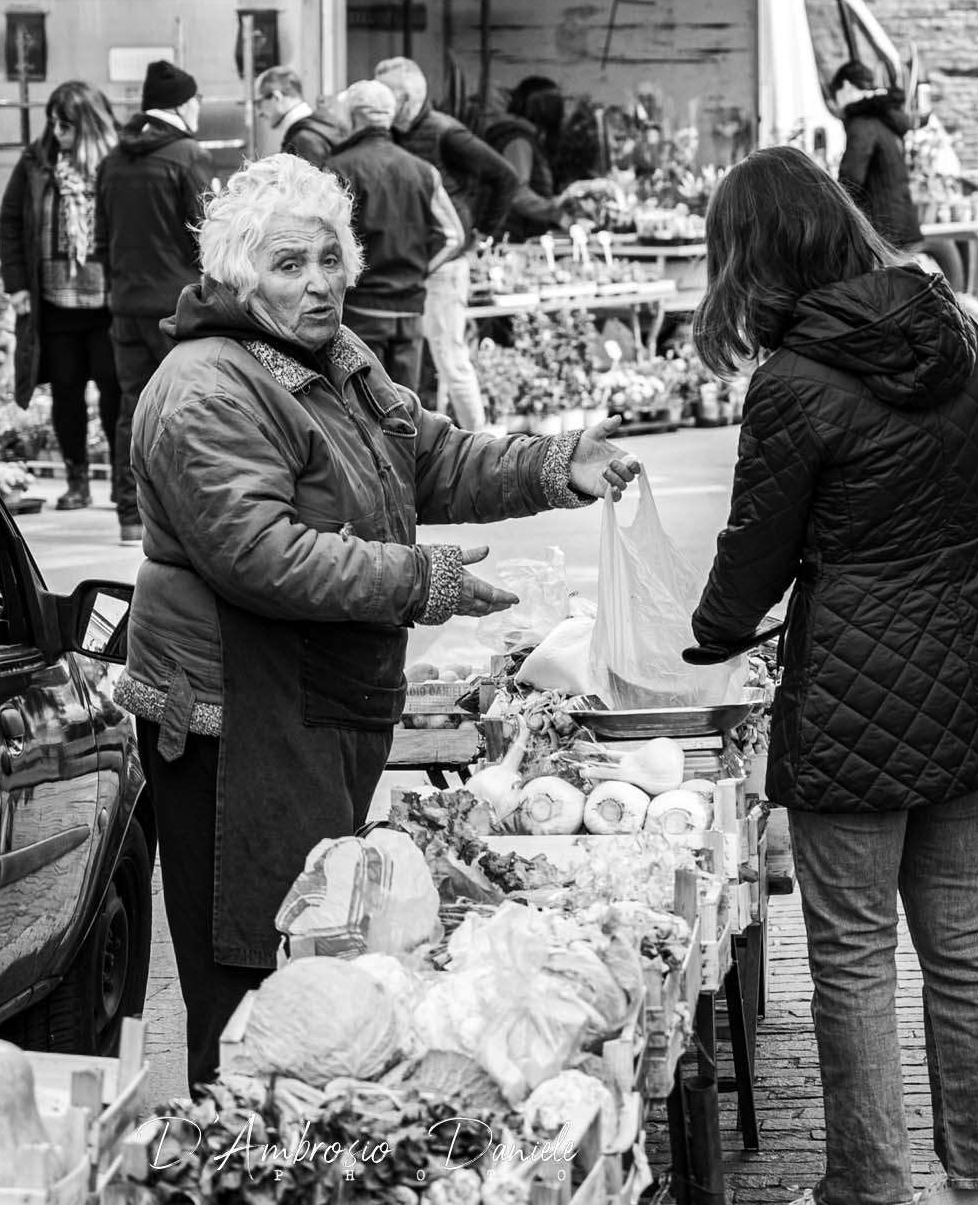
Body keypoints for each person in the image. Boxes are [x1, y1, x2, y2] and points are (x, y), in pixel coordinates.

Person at [116, 153, 642, 1089]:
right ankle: (234, 1165)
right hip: (234, 727)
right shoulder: (205, 386)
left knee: (324, 953)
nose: (318, 282)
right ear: (239, 275)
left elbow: (429, 458)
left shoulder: (334, 357)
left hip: (316, 707)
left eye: (328, 257)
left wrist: (556, 466)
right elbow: (263, 555)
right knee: (251, 986)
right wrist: (422, 581)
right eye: (288, 263)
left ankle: (311, 1160)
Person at [684, 146, 978, 1205]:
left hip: (853, 673)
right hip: (970, 652)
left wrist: (706, 640)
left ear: (752, 256)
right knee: (962, 934)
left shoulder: (792, 381)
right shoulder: (955, 328)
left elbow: (756, 544)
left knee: (851, 953)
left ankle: (869, 1187)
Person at [96, 59, 216, 545]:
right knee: (187, 407)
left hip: (125, 302)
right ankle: (186, 511)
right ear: (185, 104)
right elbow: (209, 235)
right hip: (177, 307)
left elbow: (102, 238)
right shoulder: (189, 156)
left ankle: (130, 514)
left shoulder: (112, 159)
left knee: (133, 407)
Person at [376, 55, 521, 432]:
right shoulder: (393, 135)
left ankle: (481, 443)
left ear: (406, 98)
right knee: (423, 360)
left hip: (444, 263)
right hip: (414, 262)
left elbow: (505, 177)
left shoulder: (446, 132)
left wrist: (481, 234)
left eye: (387, 96)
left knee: (449, 358)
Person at [0, 80, 119, 511]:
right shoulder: (37, 162)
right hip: (54, 301)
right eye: (52, 122)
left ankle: (124, 485)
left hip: (107, 303)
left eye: (65, 124)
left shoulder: (117, 163)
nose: (57, 131)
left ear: (86, 124)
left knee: (115, 392)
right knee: (65, 392)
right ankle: (77, 480)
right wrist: (16, 287)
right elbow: (11, 222)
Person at [326, 79, 464, 393]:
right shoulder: (423, 170)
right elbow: (453, 236)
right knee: (406, 409)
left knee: (362, 408)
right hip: (410, 307)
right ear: (388, 117)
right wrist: (419, 271)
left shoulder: (337, 169)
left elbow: (325, 238)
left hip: (360, 310)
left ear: (354, 117)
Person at [831, 60, 924, 251]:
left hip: (883, 229)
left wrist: (835, 207)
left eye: (836, 95)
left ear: (846, 86)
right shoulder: (883, 116)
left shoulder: (861, 121)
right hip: (902, 221)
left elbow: (851, 178)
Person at [481, 78, 568, 239]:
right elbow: (517, 193)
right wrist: (556, 211)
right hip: (508, 235)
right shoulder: (518, 141)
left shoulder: (523, 138)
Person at [253, 65, 342, 166]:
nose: (259, 113)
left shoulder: (303, 140)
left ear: (277, 97)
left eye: (259, 103)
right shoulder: (321, 127)